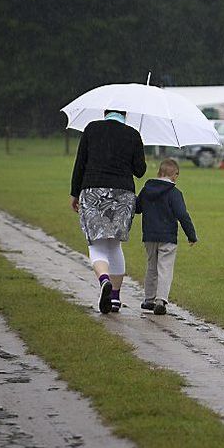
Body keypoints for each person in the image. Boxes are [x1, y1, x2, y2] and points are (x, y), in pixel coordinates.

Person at [70, 109, 147, 313]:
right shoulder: (132, 134)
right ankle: (114, 298)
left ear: (105, 112)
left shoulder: (92, 129)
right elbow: (140, 171)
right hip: (123, 195)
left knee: (97, 245)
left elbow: (80, 164)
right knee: (114, 245)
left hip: (93, 190)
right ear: (125, 115)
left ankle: (104, 280)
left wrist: (74, 193)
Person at [135, 158, 198, 316]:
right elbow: (182, 215)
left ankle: (149, 299)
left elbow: (137, 208)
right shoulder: (174, 193)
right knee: (165, 268)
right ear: (175, 175)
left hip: (149, 235)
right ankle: (161, 300)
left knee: (152, 267)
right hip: (168, 237)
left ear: (159, 172)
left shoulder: (147, 188)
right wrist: (191, 235)